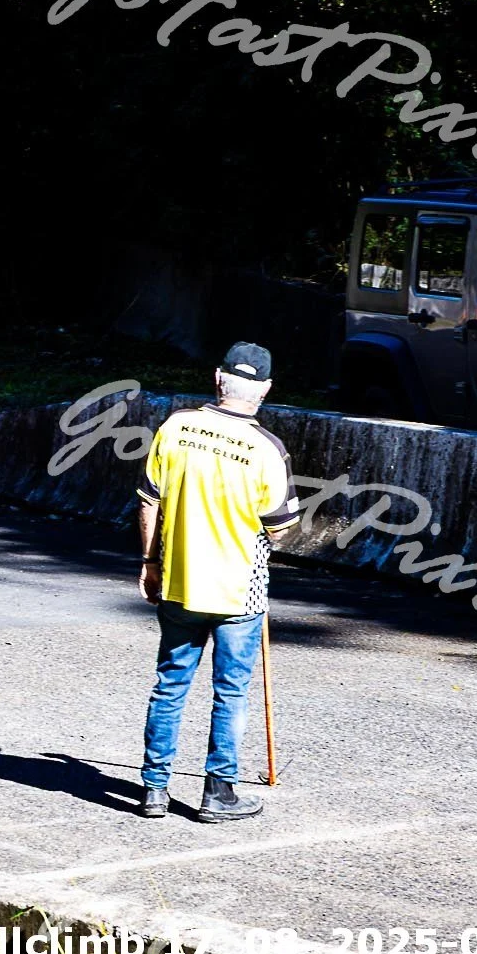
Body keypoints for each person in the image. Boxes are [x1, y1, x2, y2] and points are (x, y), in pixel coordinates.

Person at [135, 341, 301, 822]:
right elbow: (280, 523)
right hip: (238, 589)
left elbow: (149, 499)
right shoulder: (268, 448)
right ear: (266, 389)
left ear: (217, 377)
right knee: (231, 692)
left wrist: (149, 564)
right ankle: (218, 792)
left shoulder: (176, 428)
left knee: (170, 684)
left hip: (180, 580)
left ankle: (154, 790)